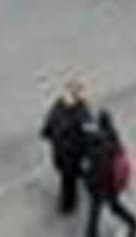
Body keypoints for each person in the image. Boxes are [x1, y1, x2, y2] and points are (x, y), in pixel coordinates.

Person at [83, 110, 136, 237]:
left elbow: (97, 168)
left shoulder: (99, 146)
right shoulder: (113, 136)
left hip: (102, 184)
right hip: (111, 183)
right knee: (112, 207)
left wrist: (90, 181)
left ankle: (92, 233)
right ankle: (132, 222)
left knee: (97, 210)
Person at [41, 80, 92, 216]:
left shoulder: (73, 110)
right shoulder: (69, 107)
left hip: (66, 152)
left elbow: (47, 128)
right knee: (67, 174)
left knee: (68, 179)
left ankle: (68, 203)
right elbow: (51, 119)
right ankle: (69, 201)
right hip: (66, 151)